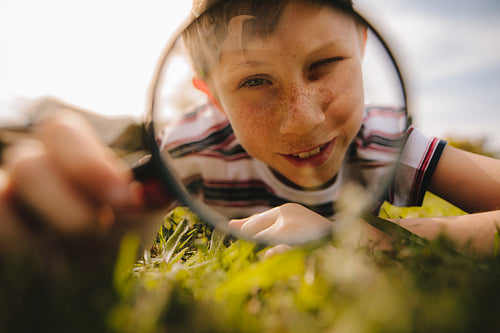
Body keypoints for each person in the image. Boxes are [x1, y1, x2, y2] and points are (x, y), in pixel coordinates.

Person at [1, 0, 499, 257]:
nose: (303, 118)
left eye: (324, 64)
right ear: (212, 97)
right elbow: (121, 227)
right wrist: (98, 234)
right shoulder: (186, 153)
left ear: (363, 46)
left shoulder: (383, 144)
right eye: (256, 81)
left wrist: (376, 242)